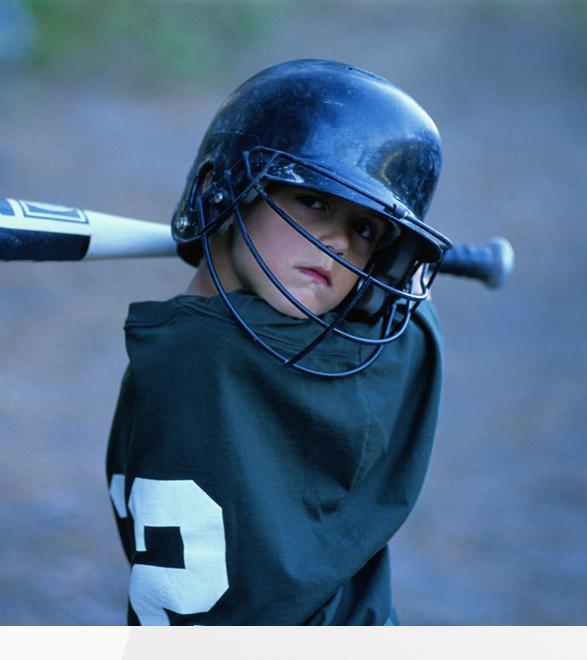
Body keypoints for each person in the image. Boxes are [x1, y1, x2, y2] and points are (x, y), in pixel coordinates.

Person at [106, 59, 452, 625]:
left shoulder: (169, 347)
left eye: (367, 229)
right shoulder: (240, 365)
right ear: (223, 189)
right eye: (314, 201)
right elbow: (405, 353)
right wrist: (405, 282)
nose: (340, 240)